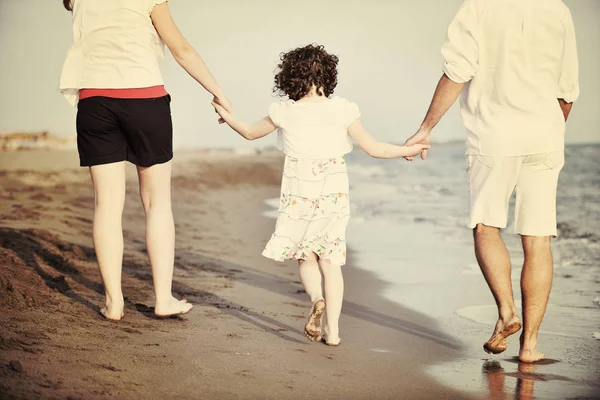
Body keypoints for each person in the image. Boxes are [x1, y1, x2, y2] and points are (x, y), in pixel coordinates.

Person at [212, 44, 429, 346]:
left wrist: (225, 113)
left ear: (290, 78)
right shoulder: (342, 109)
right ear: (327, 75)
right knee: (331, 261)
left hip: (299, 192)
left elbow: (249, 132)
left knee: (306, 257)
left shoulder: (284, 111)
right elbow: (375, 149)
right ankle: (334, 332)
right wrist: (409, 150)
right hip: (333, 193)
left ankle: (316, 298)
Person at [404, 0, 579, 362]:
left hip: (495, 134)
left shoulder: (480, 6)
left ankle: (507, 313)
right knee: (538, 238)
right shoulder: (558, 9)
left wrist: (425, 128)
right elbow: (567, 89)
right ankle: (529, 346)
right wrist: (550, 129)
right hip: (546, 133)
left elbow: (457, 72)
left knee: (486, 226)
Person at [58, 0, 232, 320]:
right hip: (143, 97)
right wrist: (217, 91)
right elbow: (181, 48)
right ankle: (163, 299)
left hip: (95, 101)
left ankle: (114, 303)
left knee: (106, 205)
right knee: (157, 203)